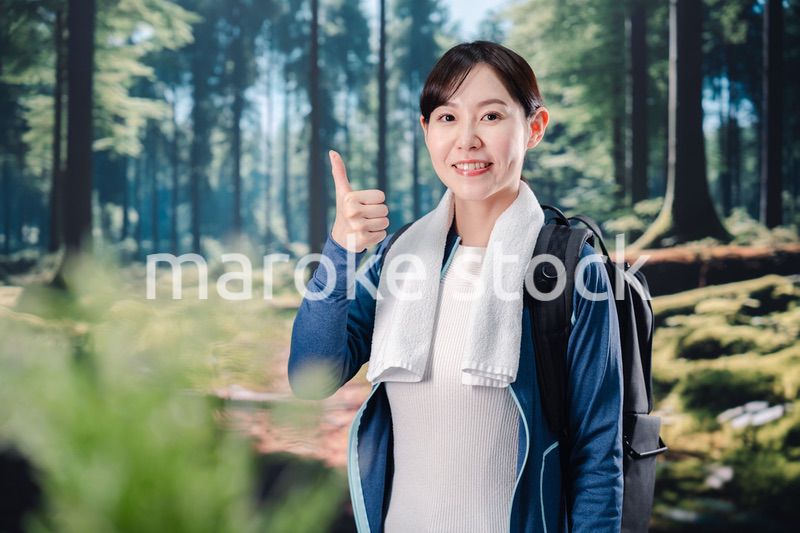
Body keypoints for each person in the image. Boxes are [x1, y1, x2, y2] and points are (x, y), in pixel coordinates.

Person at [288, 40, 623, 533]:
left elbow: (598, 457)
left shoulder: (569, 270)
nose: (467, 140)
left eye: (491, 116)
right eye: (447, 117)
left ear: (534, 128)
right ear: (426, 130)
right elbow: (310, 376)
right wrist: (340, 250)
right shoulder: (397, 260)